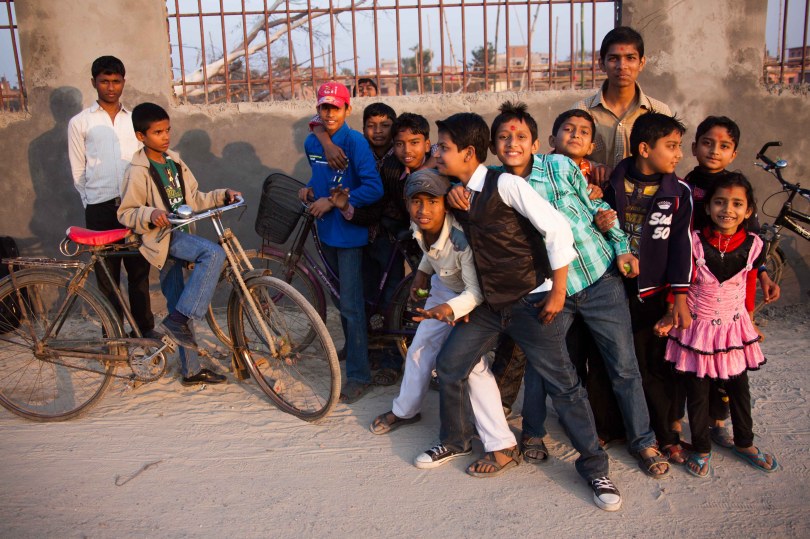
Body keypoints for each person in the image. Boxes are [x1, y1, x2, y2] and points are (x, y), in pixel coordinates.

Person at [448, 102, 668, 477]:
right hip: (550, 290)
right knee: (543, 367)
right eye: (503, 137)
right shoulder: (491, 184)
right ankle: (532, 435)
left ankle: (643, 441)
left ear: (536, 143)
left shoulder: (561, 167)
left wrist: (621, 246)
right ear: (492, 146)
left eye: (520, 137)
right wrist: (454, 190)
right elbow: (456, 179)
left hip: (598, 278)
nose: (511, 143)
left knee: (623, 367)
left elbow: (595, 207)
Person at [416, 112, 623, 512]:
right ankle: (456, 440)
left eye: (443, 147)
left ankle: (595, 468)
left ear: (469, 152)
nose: (436, 152)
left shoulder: (507, 184)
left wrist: (559, 291)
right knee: (453, 362)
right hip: (491, 304)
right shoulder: (459, 189)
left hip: (531, 301)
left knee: (563, 385)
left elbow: (557, 229)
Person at [369, 170, 510, 459]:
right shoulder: (420, 223)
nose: (423, 210)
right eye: (416, 201)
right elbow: (430, 250)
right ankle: (405, 411)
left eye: (432, 202)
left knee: (472, 367)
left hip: (474, 300)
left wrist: (451, 310)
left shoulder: (461, 240)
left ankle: (500, 442)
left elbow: (476, 291)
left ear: (445, 204)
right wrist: (422, 273)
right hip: (444, 291)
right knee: (420, 349)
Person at [657, 173, 778, 477]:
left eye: (737, 204)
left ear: (748, 211)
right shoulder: (693, 243)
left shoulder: (753, 245)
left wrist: (749, 321)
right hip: (697, 329)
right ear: (708, 207)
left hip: (733, 331)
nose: (728, 209)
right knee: (697, 391)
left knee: (738, 387)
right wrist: (671, 313)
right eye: (720, 202)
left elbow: (749, 282)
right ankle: (701, 447)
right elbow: (678, 282)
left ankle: (745, 442)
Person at [675, 115, 781, 448]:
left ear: (733, 153)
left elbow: (750, 249)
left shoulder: (737, 187)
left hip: (730, 296)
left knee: (729, 370)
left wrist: (762, 275)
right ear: (694, 147)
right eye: (707, 143)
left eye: (723, 146)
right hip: (696, 284)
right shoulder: (684, 186)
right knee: (694, 367)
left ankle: (719, 423)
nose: (713, 151)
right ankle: (688, 428)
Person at [117, 102, 239, 386]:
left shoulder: (174, 162)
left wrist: (223, 195)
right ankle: (179, 322)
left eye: (167, 130)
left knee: (178, 307)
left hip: (179, 235)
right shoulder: (138, 170)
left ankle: (191, 370)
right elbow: (125, 213)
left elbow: (194, 199)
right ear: (140, 136)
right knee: (213, 252)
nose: (165, 136)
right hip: (162, 239)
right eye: (157, 132)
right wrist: (152, 213)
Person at [603, 112, 694, 464]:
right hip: (612, 288)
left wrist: (679, 300)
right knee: (610, 362)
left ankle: (666, 433)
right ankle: (611, 428)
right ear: (644, 148)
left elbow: (681, 246)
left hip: (653, 294)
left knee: (653, 365)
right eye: (671, 146)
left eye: (679, 147)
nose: (678, 155)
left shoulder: (678, 192)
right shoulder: (611, 183)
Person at [298, 81, 384, 403]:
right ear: (318, 109)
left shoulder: (356, 143)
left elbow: (373, 188)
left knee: (351, 303)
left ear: (348, 109)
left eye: (336, 107)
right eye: (324, 107)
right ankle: (355, 348)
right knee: (341, 300)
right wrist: (309, 190)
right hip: (326, 231)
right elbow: (321, 178)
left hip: (349, 235)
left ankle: (360, 375)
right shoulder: (312, 142)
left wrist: (335, 202)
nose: (330, 113)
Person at [67, 56, 155, 338]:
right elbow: (78, 169)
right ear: (94, 82)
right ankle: (114, 337)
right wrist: (91, 201)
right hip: (100, 209)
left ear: (123, 82)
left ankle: (143, 333)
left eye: (116, 81)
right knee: (107, 277)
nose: (110, 87)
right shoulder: (80, 122)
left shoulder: (135, 120)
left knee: (139, 274)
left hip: (135, 207)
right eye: (104, 81)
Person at [573, 26, 672, 170]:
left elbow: (668, 160)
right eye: (613, 59)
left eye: (630, 58)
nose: (622, 66)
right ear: (602, 64)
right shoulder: (581, 111)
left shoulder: (659, 112)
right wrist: (593, 167)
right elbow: (567, 158)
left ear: (641, 63)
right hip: (592, 192)